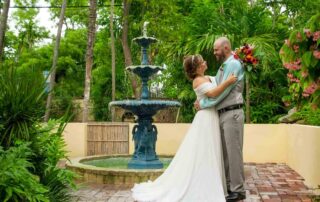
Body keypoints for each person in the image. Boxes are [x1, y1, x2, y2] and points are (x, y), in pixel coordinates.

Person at [131, 54, 238, 202]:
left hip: (212, 116)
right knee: (204, 151)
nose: (205, 62)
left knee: (211, 150)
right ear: (197, 67)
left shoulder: (206, 77)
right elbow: (213, 93)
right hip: (206, 118)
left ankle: (211, 183)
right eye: (203, 61)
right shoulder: (197, 80)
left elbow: (213, 85)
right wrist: (229, 82)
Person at [194, 37, 246, 202]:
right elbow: (217, 83)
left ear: (225, 48)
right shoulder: (224, 66)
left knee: (233, 153)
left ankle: (238, 191)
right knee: (225, 154)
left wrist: (203, 103)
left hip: (232, 113)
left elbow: (222, 92)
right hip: (223, 114)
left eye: (216, 49)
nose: (214, 52)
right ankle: (231, 187)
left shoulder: (233, 64)